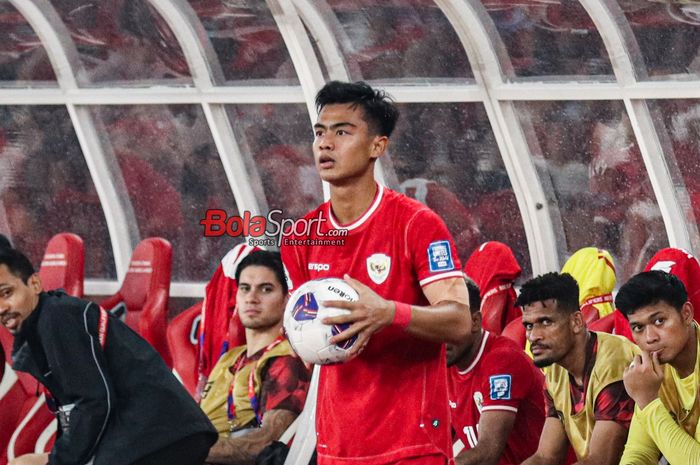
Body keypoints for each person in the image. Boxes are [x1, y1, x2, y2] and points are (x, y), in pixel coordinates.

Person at [281, 80, 471, 465]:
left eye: (342, 132)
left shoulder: (416, 224)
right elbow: (302, 330)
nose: (325, 143)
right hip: (337, 445)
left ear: (377, 146)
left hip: (410, 445)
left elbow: (459, 321)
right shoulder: (301, 236)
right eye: (320, 132)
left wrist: (388, 313)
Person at [0, 247, 216, 465]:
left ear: (35, 284)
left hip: (162, 438)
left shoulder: (58, 317)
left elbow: (93, 402)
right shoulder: (43, 324)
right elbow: (74, 410)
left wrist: (57, 462)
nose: (1, 307)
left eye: (6, 293)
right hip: (149, 437)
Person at [199, 250, 310, 464]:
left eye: (266, 289)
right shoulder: (230, 358)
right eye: (245, 288)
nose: (252, 298)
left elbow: (268, 443)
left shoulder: (286, 360)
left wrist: (185, 450)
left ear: (287, 299)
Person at [517, 272, 637, 465]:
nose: (533, 336)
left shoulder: (614, 361)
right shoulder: (556, 368)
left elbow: (601, 462)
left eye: (546, 322)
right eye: (529, 326)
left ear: (576, 322)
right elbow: (546, 457)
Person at [447, 278, 545, 465]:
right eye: (434, 325)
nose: (438, 336)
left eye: (448, 325)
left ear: (475, 321)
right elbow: (431, 436)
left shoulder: (502, 361)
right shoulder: (443, 366)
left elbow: (487, 453)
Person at [616, 270, 700, 465]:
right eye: (638, 327)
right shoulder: (652, 372)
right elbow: (639, 453)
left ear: (686, 314)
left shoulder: (648, 385)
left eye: (659, 321)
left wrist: (648, 402)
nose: (650, 338)